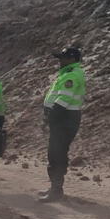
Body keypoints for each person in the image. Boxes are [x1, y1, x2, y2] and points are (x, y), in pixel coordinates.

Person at [38, 46, 86, 202]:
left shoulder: (71, 76)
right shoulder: (68, 74)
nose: (60, 61)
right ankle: (55, 187)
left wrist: (48, 119)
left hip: (64, 118)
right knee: (57, 152)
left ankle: (56, 190)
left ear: (72, 59)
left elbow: (62, 101)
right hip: (64, 118)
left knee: (56, 153)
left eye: (63, 58)